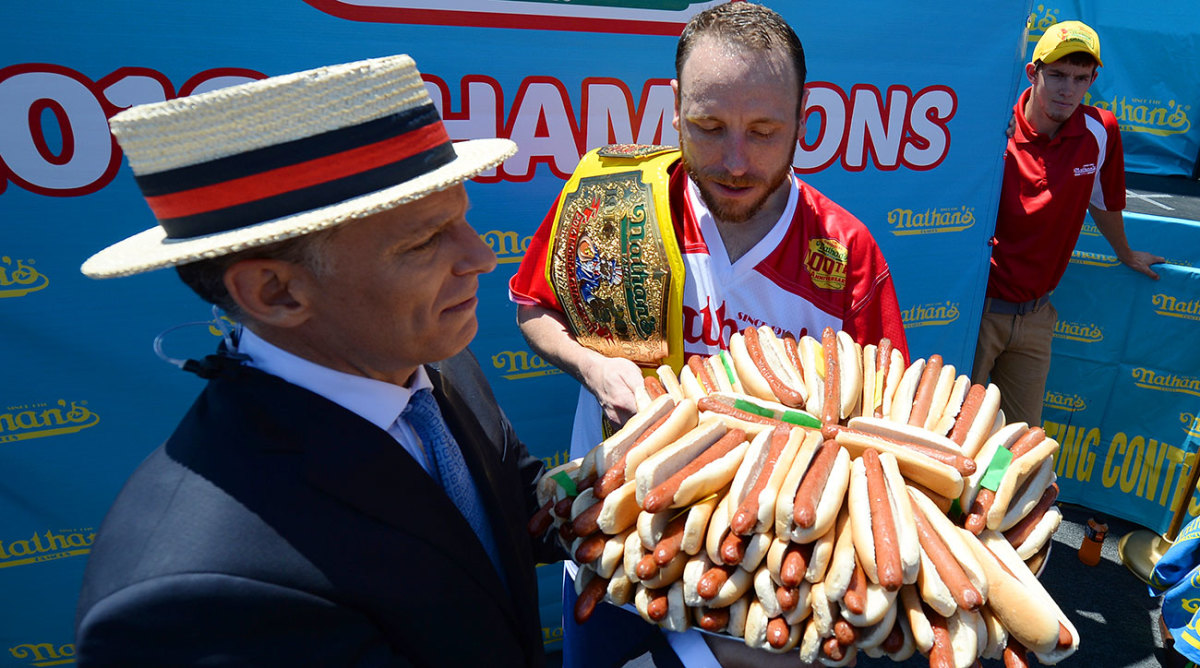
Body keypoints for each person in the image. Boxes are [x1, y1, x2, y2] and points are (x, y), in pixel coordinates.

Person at [73, 55, 562, 666]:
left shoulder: (435, 367)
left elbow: (513, 512)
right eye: (423, 241)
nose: (482, 258)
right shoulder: (195, 596)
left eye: (462, 219)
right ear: (275, 293)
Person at [508, 3, 908, 665]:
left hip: (755, 582)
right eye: (709, 126)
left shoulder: (846, 255)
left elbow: (883, 433)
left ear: (804, 121)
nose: (735, 160)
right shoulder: (615, 201)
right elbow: (532, 310)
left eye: (763, 131)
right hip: (614, 544)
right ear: (673, 108)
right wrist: (593, 367)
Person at [972, 20, 1164, 427]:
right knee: (953, 433)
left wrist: (1125, 252)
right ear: (1033, 72)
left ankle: (998, 494)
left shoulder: (1101, 131)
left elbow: (1104, 203)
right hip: (976, 314)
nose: (1068, 89)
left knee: (1021, 443)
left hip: (1037, 316)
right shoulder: (991, 126)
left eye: (1080, 78)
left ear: (1093, 80)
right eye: (1057, 75)